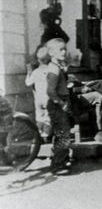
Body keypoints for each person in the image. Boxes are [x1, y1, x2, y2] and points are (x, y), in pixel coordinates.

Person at [44, 38, 73, 175]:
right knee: (63, 135)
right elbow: (50, 91)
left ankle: (62, 159)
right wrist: (62, 104)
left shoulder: (58, 66)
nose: (64, 52)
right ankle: (57, 165)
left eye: (65, 49)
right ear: (51, 52)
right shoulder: (53, 69)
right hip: (58, 105)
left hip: (61, 102)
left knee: (62, 134)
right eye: (60, 49)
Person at [25, 46, 51, 140]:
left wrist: (29, 73)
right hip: (48, 98)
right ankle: (46, 136)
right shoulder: (50, 70)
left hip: (38, 98)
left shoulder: (36, 72)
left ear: (38, 60)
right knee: (48, 117)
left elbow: (28, 83)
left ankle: (39, 136)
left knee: (39, 117)